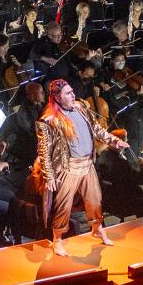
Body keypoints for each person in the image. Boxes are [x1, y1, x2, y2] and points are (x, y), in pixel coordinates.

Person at [33, 78, 124, 257]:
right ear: (57, 98)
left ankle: (97, 228)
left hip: (87, 164)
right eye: (68, 93)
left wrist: (114, 140)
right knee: (63, 206)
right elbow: (43, 150)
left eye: (72, 91)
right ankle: (57, 239)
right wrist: (50, 176)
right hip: (68, 168)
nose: (73, 95)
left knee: (95, 200)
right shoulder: (48, 120)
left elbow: (97, 129)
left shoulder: (81, 108)